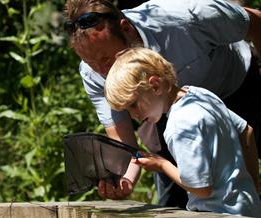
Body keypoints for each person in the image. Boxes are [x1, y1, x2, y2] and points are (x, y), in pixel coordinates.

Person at [63, 0, 261, 207]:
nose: (103, 72)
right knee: (171, 205)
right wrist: (125, 179)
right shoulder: (94, 74)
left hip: (240, 84)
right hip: (165, 106)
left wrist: (163, 165)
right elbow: (125, 144)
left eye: (106, 59)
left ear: (126, 29)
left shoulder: (185, 18)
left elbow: (256, 21)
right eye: (90, 63)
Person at [104, 47, 261, 216]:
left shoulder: (179, 126)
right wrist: (253, 185)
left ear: (155, 86)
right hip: (247, 207)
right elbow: (246, 131)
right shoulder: (200, 94)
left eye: (133, 104)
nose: (134, 115)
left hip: (218, 212)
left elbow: (201, 189)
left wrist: (162, 164)